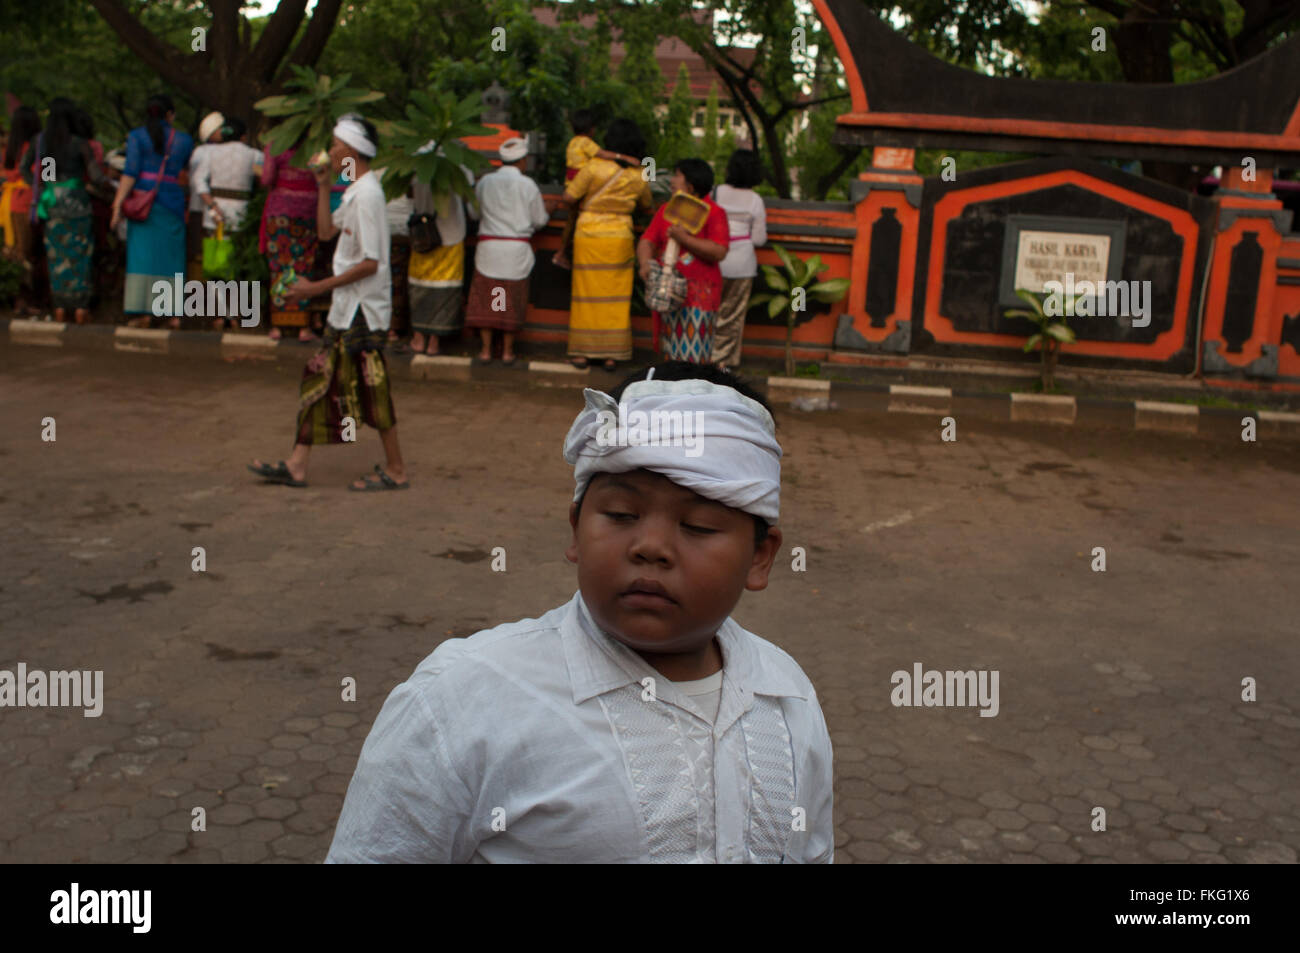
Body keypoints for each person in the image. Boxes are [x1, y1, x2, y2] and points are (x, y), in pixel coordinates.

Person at [325, 360, 834, 863]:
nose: (651, 546)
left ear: (760, 557)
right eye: (620, 515)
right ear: (575, 529)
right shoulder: (461, 701)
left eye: (699, 525)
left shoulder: (789, 699)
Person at [248, 114, 409, 492]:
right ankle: (298, 464)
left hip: (362, 311)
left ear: (353, 151)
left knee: (370, 388)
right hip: (347, 308)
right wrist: (323, 187)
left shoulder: (368, 195)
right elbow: (324, 232)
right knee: (323, 379)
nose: (332, 151)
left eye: (337, 145)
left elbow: (371, 263)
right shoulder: (355, 191)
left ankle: (397, 469)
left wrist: (314, 288)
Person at [562, 118, 653, 371]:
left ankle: (581, 353)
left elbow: (569, 197)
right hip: (620, 238)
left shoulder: (593, 167)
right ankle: (612, 355)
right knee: (616, 298)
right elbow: (647, 206)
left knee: (585, 295)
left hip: (589, 236)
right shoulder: (639, 174)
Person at [111, 94, 195, 328]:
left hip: (143, 202)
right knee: (172, 257)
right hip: (173, 202)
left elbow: (130, 172)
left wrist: (118, 205)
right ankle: (172, 313)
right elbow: (186, 172)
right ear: (171, 115)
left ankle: (142, 312)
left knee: (142, 258)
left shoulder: (136, 137)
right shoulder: (184, 140)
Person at [463, 137, 548, 365]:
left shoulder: (484, 183)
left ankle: (486, 350)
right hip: (516, 251)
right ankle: (508, 352)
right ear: (523, 161)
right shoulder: (528, 186)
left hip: (489, 249)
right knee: (511, 301)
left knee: (489, 299)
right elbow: (539, 220)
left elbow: (473, 213)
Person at [25, 98, 110, 324]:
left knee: (56, 255)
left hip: (53, 205)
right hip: (79, 205)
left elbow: (38, 173)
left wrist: (43, 187)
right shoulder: (80, 143)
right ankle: (81, 307)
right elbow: (96, 176)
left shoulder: (43, 143)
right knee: (81, 254)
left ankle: (60, 306)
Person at [638, 158, 729, 363]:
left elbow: (719, 250)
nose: (671, 181)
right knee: (668, 356)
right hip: (664, 292)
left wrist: (684, 239)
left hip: (698, 297)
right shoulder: (665, 210)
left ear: (691, 184)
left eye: (677, 176)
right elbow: (647, 241)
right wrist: (645, 263)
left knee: (693, 359)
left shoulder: (714, 212)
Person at [406, 144, 477, 356]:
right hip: (450, 233)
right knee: (445, 289)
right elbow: (470, 202)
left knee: (419, 285)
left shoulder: (415, 160)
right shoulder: (460, 162)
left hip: (423, 235)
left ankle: (418, 337)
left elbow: (409, 194)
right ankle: (434, 342)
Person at [552, 109, 640, 270]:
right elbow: (602, 154)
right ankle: (562, 253)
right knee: (577, 220)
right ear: (592, 129)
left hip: (570, 184)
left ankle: (562, 252)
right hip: (581, 186)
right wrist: (624, 157)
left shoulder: (573, 142)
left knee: (571, 221)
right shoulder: (586, 142)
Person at [710, 149, 767, 370]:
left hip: (712, 259)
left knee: (708, 311)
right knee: (732, 316)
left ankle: (702, 357)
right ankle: (722, 362)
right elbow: (759, 239)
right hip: (742, 263)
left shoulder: (716, 192)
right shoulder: (755, 200)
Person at [260, 133, 320, 342]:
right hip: (310, 211)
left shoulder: (275, 145)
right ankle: (303, 326)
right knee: (303, 266)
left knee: (280, 267)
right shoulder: (317, 145)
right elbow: (342, 174)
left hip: (280, 213)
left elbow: (266, 178)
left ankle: (278, 325)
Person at [1, 105, 41, 316]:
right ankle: (24, 301)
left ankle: (19, 299)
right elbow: (46, 174)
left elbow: (7, 174)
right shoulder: (37, 146)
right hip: (29, 201)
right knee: (26, 252)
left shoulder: (10, 148)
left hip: (11, 202)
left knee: (17, 251)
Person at [186, 111, 224, 280]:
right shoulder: (207, 152)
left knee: (201, 254)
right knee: (204, 254)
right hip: (207, 210)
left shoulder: (198, 151)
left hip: (200, 210)